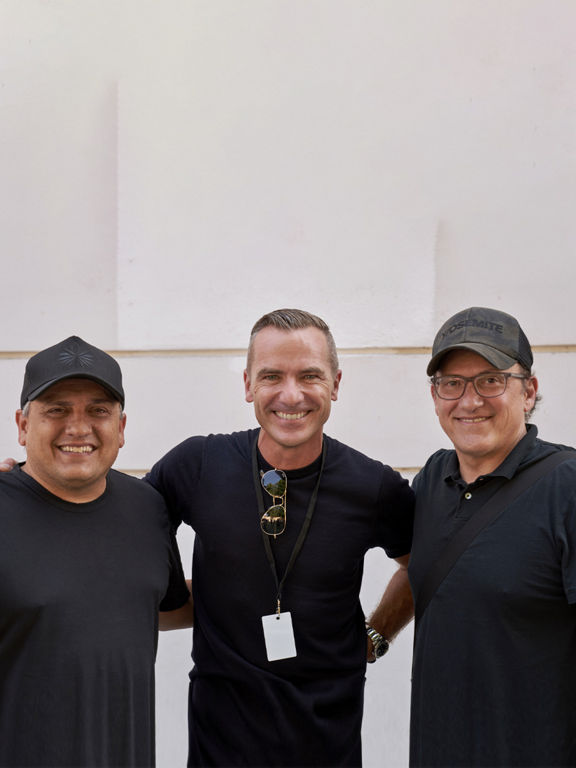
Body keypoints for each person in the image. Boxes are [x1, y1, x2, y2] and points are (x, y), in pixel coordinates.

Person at [147, 308, 415, 767]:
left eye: (309, 375)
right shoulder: (196, 465)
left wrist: (377, 634)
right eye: (272, 376)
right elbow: (108, 518)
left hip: (329, 746)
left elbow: (424, 563)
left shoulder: (374, 487)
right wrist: (28, 490)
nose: (291, 395)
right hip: (218, 747)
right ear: (248, 384)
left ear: (335, 384)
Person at [0, 336, 191, 768]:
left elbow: (156, 605)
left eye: (98, 411)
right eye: (57, 409)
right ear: (23, 425)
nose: (78, 427)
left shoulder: (147, 508)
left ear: (121, 428)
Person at [408, 306, 576, 768]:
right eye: (451, 383)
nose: (469, 400)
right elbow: (423, 571)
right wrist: (375, 633)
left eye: (490, 380)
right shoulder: (431, 479)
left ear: (529, 392)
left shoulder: (566, 487)